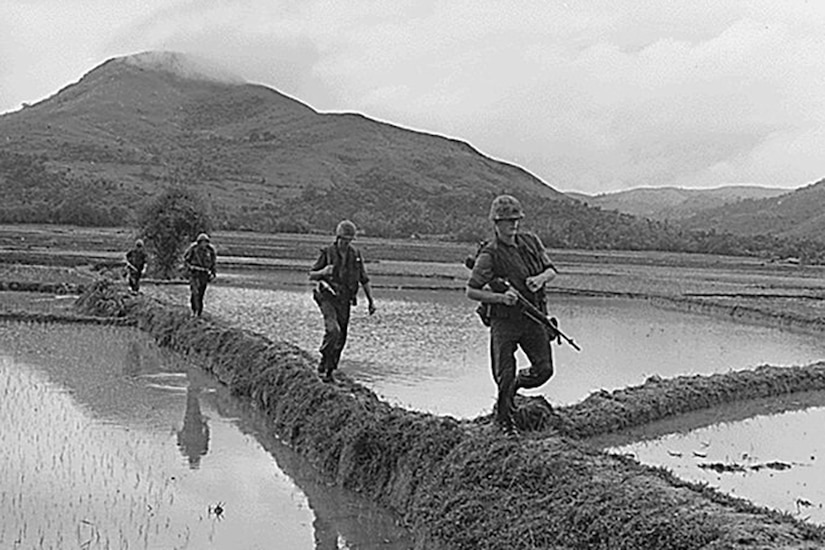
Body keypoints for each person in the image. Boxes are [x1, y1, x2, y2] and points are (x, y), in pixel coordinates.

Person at [466, 195, 558, 436]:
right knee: (504, 374)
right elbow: (472, 290)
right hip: (504, 321)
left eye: (516, 219)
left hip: (532, 316)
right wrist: (501, 298)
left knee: (544, 369)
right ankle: (505, 422)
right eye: (507, 221)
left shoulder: (531, 243)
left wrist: (539, 279)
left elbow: (551, 270)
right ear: (496, 223)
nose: (513, 225)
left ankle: (515, 387)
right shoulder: (490, 253)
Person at [308, 220, 376, 383]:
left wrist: (371, 301)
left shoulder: (355, 255)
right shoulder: (327, 252)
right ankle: (323, 362)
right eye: (343, 239)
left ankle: (329, 371)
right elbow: (311, 274)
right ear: (337, 238)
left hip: (344, 299)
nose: (346, 243)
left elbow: (363, 279)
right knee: (333, 330)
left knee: (341, 337)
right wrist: (324, 271)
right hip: (327, 297)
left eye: (349, 240)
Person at [183, 232, 217, 317]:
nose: (203, 244)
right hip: (194, 274)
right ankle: (194, 310)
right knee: (195, 292)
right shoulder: (193, 249)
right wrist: (190, 268)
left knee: (201, 293)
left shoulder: (210, 251)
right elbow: (186, 260)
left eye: (205, 242)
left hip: (204, 274)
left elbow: (213, 263)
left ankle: (199, 312)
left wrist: (213, 273)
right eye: (202, 242)